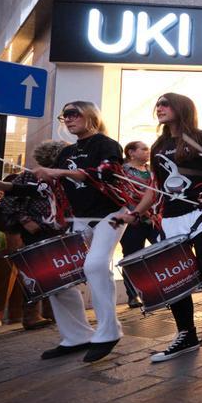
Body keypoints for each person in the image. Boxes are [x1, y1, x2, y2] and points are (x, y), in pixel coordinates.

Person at [113, 93, 202, 363]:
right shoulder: (158, 145)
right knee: (175, 278)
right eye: (158, 105)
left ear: (181, 108)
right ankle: (186, 334)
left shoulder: (201, 137)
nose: (160, 109)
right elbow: (155, 186)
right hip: (172, 218)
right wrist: (136, 213)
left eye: (165, 104)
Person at [32, 102, 127, 362]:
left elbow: (105, 174)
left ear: (90, 116)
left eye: (74, 113)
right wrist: (4, 187)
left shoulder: (106, 144)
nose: (68, 119)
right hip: (79, 219)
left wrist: (59, 171)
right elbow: (54, 185)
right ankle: (76, 335)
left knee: (95, 265)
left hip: (111, 215)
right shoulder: (67, 152)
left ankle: (108, 332)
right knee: (56, 277)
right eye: (66, 115)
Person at [0, 141, 72, 330]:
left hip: (60, 230)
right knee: (36, 273)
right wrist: (25, 220)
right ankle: (31, 315)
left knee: (59, 272)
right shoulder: (29, 176)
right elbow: (9, 203)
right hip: (35, 231)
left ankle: (51, 312)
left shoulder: (65, 177)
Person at [119, 141, 159, 309]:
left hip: (153, 219)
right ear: (131, 152)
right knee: (131, 257)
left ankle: (161, 287)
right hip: (132, 221)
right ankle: (133, 295)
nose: (147, 152)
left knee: (161, 250)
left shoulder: (152, 171)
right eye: (143, 149)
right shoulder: (122, 172)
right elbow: (123, 194)